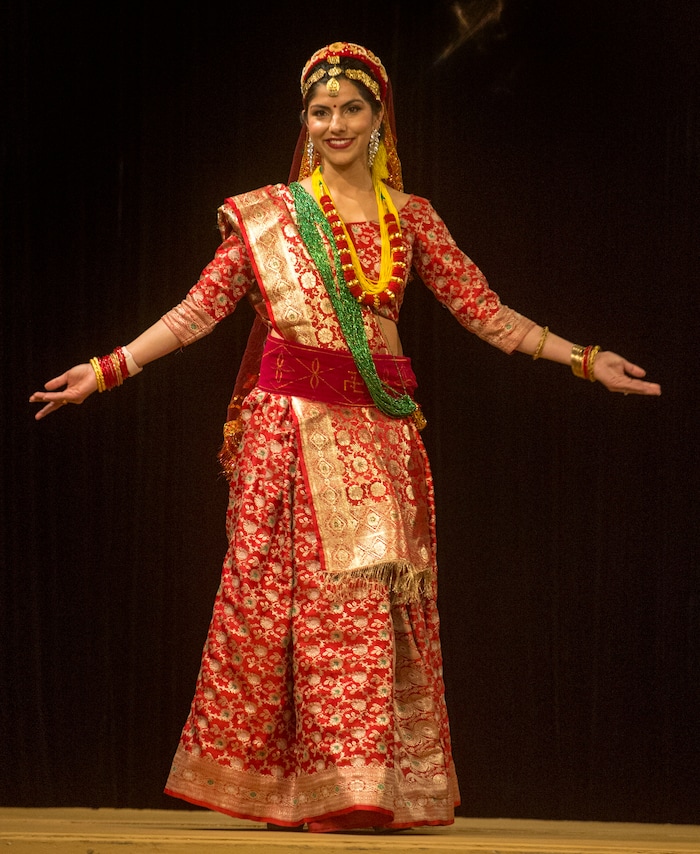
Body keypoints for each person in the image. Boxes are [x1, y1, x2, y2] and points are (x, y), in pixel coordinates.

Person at [30, 42, 661, 834]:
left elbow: (484, 310)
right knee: (295, 609)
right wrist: (107, 368)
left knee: (367, 602)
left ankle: (364, 784)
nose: (335, 123)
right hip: (287, 430)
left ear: (378, 121)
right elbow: (199, 310)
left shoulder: (413, 217)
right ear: (306, 122)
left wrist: (585, 359)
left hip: (380, 434)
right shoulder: (270, 215)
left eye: (351, 109)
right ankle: (311, 787)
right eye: (320, 111)